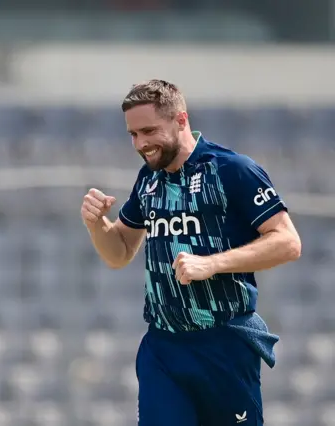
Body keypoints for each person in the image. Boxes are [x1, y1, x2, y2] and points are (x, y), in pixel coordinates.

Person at [81, 80, 302, 426]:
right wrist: (98, 225)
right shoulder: (148, 180)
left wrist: (213, 264)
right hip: (162, 347)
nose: (141, 144)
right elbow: (120, 252)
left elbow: (288, 242)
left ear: (181, 120)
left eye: (149, 131)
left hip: (224, 343)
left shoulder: (232, 169)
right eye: (133, 135)